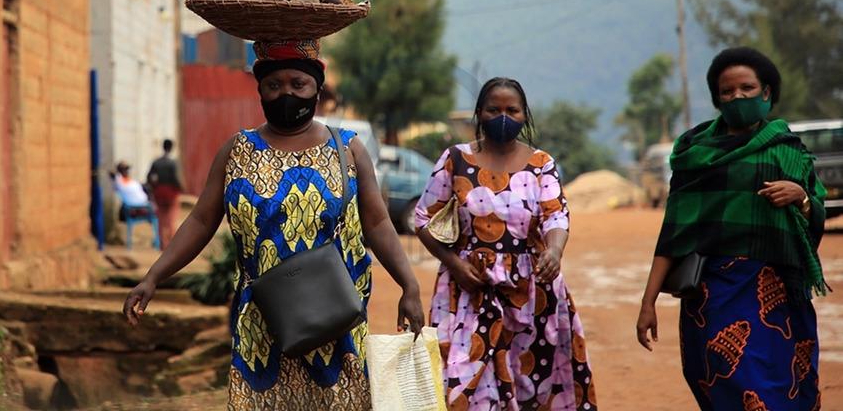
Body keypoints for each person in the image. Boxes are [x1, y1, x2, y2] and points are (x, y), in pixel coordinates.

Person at [122, 39, 425, 410]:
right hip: (261, 327)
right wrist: (153, 276)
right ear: (260, 91)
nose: (286, 93)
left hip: (336, 325)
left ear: (317, 89)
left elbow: (377, 222)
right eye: (274, 85)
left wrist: (409, 285)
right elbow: (201, 221)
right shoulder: (237, 151)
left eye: (298, 84)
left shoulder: (347, 149)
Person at [636, 47, 827, 410]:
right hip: (713, 294)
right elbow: (673, 234)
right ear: (717, 98)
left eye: (747, 88)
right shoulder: (695, 156)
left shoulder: (787, 151)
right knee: (726, 382)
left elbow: (812, 217)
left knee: (779, 387)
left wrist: (800, 197)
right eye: (727, 91)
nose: (737, 96)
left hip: (778, 294)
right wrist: (648, 302)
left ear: (766, 92)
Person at [415, 77, 597, 410]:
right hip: (468, 290)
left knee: (535, 388)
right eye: (493, 109)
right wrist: (455, 264)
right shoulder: (456, 159)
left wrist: (554, 251)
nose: (503, 116)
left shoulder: (542, 164)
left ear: (524, 115)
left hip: (532, 294)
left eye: (511, 110)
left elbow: (555, 215)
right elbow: (423, 219)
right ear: (479, 114)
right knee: (463, 389)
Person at [147, 139, 183, 248]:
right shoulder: (173, 163)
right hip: (171, 192)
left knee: (161, 218)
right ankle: (171, 244)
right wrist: (181, 188)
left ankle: (162, 243)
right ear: (171, 148)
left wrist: (154, 187)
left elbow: (149, 177)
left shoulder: (156, 162)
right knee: (172, 217)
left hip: (159, 192)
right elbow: (176, 179)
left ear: (163, 147)